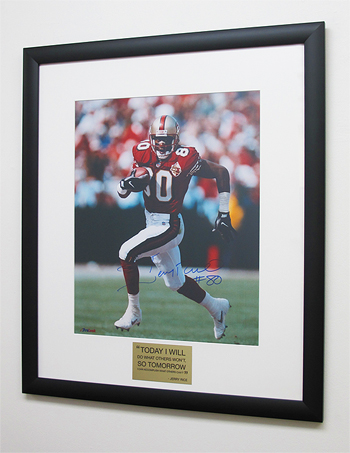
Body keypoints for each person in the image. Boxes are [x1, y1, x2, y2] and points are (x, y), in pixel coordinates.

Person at [115, 115, 236, 339]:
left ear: (176, 139)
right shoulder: (141, 152)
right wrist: (125, 184)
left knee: (126, 253)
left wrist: (223, 212)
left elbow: (221, 172)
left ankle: (134, 311)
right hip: (151, 222)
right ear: (151, 139)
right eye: (158, 139)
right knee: (176, 282)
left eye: (167, 139)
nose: (161, 144)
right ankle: (216, 307)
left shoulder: (186, 158)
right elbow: (123, 192)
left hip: (169, 225)